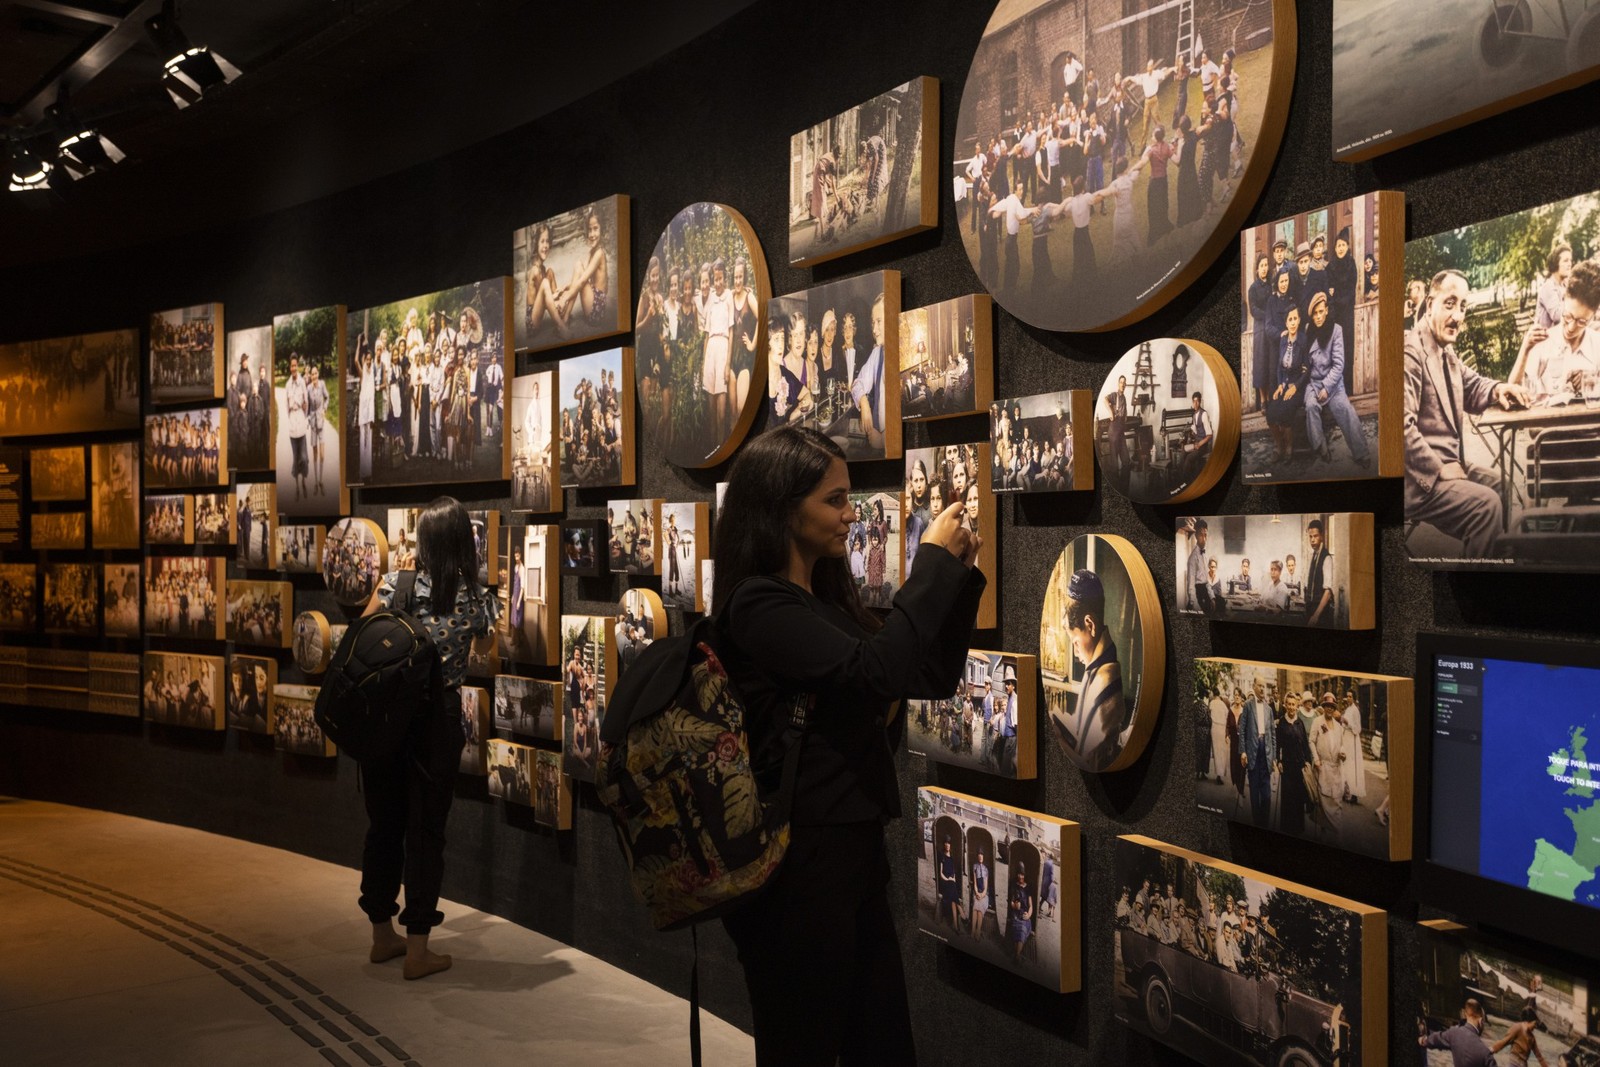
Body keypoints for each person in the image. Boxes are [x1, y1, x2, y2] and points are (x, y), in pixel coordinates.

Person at [712, 424, 985, 1066]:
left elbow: (925, 673)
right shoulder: (757, 605)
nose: (850, 513)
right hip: (797, 863)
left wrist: (959, 576)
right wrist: (931, 566)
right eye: (834, 500)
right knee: (803, 1046)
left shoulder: (823, 599)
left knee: (883, 1043)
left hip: (850, 851)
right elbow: (878, 673)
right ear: (784, 506)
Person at [357, 496, 499, 981]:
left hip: (387, 720)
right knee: (425, 831)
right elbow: (487, 643)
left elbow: (361, 633)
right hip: (437, 720)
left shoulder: (395, 585)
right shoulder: (475, 598)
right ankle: (418, 948)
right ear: (464, 542)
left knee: (384, 824)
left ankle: (382, 936)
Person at [1405, 270, 1530, 557]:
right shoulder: (1411, 353)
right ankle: (1474, 585)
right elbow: (1399, 427)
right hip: (1418, 480)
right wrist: (1437, 468)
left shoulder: (1444, 350)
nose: (1458, 315)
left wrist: (1499, 388)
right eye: (1450, 303)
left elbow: (1471, 385)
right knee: (1486, 506)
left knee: (1503, 486)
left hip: (1453, 464)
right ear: (1429, 304)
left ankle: (1492, 563)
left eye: (1463, 306)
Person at [1050, 569, 1126, 771]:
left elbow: (1091, 762)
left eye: (1075, 641)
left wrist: (1059, 739)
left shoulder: (1104, 682)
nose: (1075, 652)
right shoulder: (1095, 669)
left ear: (1090, 625)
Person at [1303, 291, 1372, 469]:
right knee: (1310, 406)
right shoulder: (1308, 330)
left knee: (1345, 409)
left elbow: (1339, 365)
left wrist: (1327, 386)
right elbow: (1305, 360)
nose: (1318, 317)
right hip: (1313, 382)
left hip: (1332, 383)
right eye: (1315, 314)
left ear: (1326, 310)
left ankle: (1361, 453)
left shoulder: (1336, 330)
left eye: (1321, 312)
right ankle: (1321, 449)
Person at [1239, 673, 1276, 827]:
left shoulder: (1269, 709)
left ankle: (1264, 824)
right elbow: (1242, 730)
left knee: (1266, 796)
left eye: (1264, 686)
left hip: (1265, 752)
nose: (1262, 688)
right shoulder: (1247, 705)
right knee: (1254, 793)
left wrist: (1273, 757)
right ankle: (1257, 823)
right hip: (1252, 751)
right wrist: (1243, 751)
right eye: (1260, 685)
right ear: (1254, 686)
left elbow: (1273, 735)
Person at [1419, 998, 1496, 1067]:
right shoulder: (1485, 1054)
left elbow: (1436, 1039)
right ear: (1480, 1021)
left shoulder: (1454, 1033)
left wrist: (1423, 1040)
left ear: (1466, 1015)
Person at [1276, 690, 1313, 834]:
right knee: (1287, 799)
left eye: (1293, 704)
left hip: (1300, 768)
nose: (1291, 707)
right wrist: (1278, 761)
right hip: (1287, 767)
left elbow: (1305, 744)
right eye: (1289, 704)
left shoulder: (1299, 723)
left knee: (1298, 800)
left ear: (1297, 706)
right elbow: (1277, 744)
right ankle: (1286, 830)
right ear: (1285, 705)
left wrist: (1308, 762)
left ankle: (1298, 830)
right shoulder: (1282, 723)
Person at [1006, 867, 1034, 965]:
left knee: (1022, 928)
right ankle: (1017, 957)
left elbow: (1031, 906)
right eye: (1019, 874)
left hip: (1024, 914)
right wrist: (1014, 905)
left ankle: (1016, 955)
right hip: (1015, 913)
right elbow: (1011, 902)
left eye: (1022, 874)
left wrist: (1029, 915)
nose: (1020, 876)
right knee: (1016, 927)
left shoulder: (1028, 888)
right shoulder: (1014, 886)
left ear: (1024, 875)